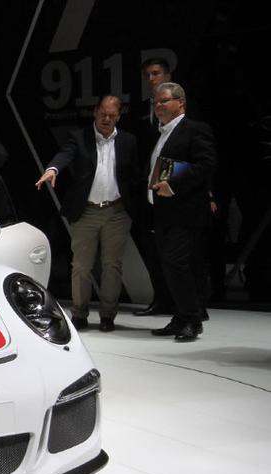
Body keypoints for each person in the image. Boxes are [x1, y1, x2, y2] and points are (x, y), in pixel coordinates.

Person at [35, 95, 139, 332]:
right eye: (103, 113)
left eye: (111, 115)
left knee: (112, 265)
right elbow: (65, 154)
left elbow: (134, 174)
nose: (106, 119)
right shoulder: (79, 137)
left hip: (117, 211)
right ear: (95, 112)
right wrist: (53, 169)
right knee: (81, 265)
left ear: (118, 117)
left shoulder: (128, 141)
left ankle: (108, 316)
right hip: (87, 211)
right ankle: (79, 314)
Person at [147, 82, 217, 342]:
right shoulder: (161, 133)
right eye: (156, 102)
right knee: (170, 266)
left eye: (164, 101)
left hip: (185, 212)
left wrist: (174, 185)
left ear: (181, 103)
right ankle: (180, 317)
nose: (158, 106)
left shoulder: (195, 129)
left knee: (179, 265)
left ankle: (192, 319)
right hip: (164, 211)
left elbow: (206, 165)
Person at [134, 57, 176, 317]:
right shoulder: (140, 109)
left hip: (175, 187)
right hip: (147, 188)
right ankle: (161, 299)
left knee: (178, 249)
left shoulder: (183, 110)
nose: (151, 79)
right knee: (152, 247)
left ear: (168, 75)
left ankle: (189, 304)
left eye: (156, 73)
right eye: (147, 75)